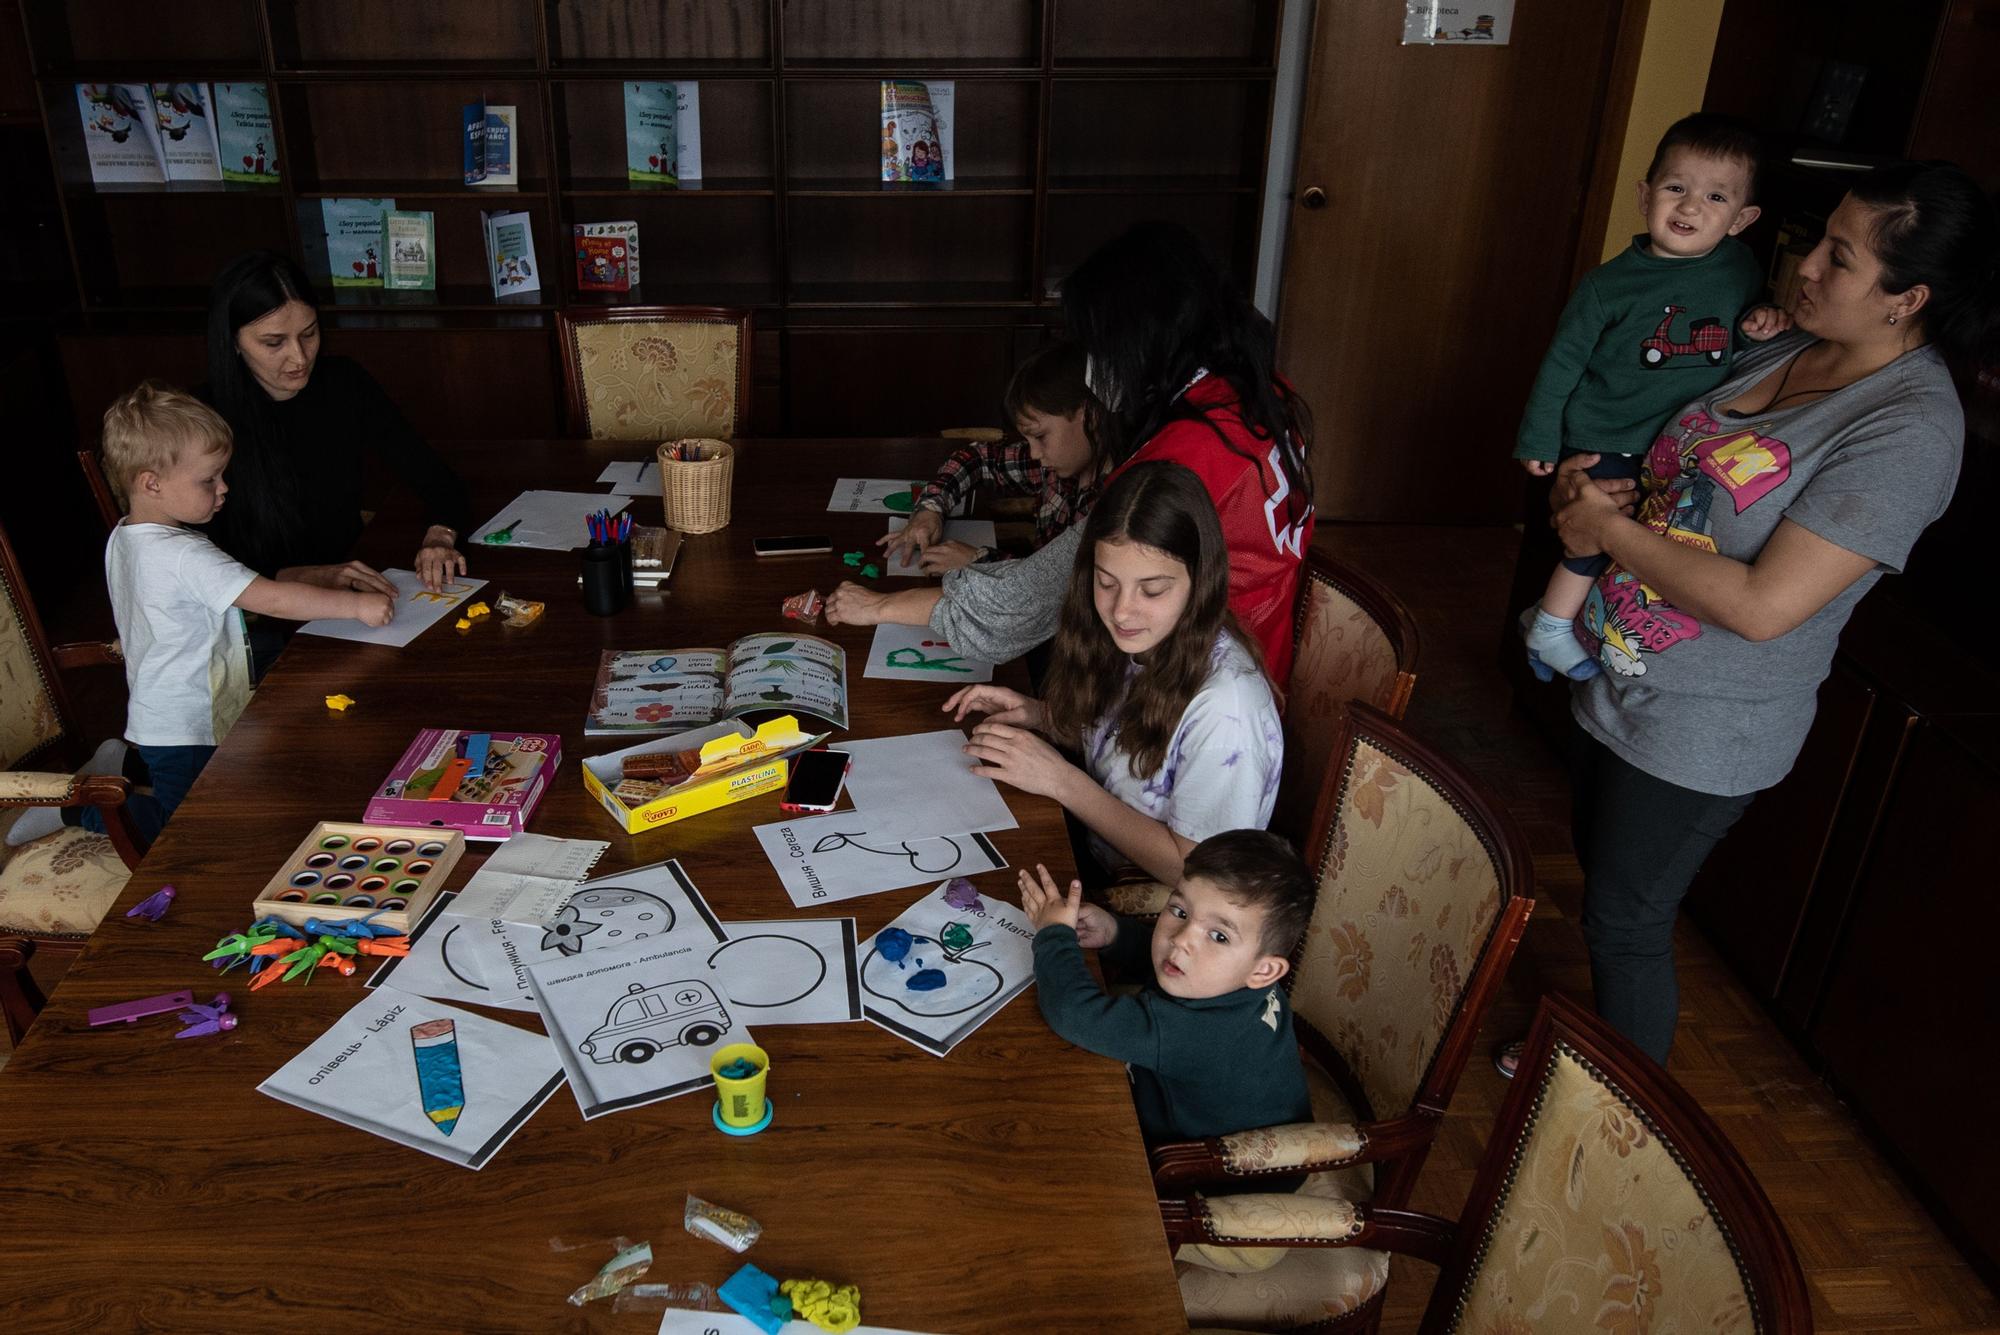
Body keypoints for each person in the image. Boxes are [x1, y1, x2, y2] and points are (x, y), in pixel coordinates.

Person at [1523, 160, 1995, 1070]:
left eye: (1840, 258)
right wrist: (1601, 487)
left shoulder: (1907, 432)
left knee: (1625, 918)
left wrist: (1606, 532)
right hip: (1619, 669)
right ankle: (1594, 1048)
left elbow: (1766, 604)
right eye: (1819, 239)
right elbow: (1686, 472)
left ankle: (1613, 1112)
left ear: (1908, 298)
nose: (1806, 264)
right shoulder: (1787, 343)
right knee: (1602, 876)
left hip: (1707, 724)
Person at [827, 221, 1314, 687]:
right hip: (1250, 663)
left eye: (1100, 347)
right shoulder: (1259, 394)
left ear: (1138, 343)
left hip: (1193, 691)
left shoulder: (1178, 461)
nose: (1094, 369)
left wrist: (879, 608)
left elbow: (1020, 604)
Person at [7, 384, 394, 852]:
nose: (223, 487)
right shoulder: (183, 554)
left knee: (219, 780)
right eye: (208, 480)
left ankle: (124, 764)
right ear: (152, 483)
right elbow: (267, 598)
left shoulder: (125, 536)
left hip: (164, 707)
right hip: (186, 721)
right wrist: (355, 606)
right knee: (184, 826)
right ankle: (76, 808)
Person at [1516, 113, 1791, 682]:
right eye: (1675, 188)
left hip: (1686, 441)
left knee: (1654, 546)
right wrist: (1540, 437)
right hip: (1610, 434)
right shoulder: (1606, 286)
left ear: (1742, 219)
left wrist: (1758, 323)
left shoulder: (1740, 269)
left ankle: (1582, 620)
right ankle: (1549, 625)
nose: (1690, 207)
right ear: (1645, 196)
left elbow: (1730, 333)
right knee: (1598, 530)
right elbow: (1561, 365)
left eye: (1714, 197)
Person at [944, 462, 1283, 886]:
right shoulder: (1144, 638)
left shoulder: (1226, 710)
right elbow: (1128, 753)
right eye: (1106, 582)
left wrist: (1062, 781)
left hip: (1150, 920)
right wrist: (1042, 715)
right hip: (1089, 857)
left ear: (1200, 580)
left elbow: (1199, 877)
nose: (1122, 611)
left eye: (1152, 590)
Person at [201, 250, 471, 608]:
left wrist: (441, 535)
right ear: (233, 341)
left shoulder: (343, 383)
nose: (299, 358)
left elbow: (436, 477)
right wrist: (298, 577)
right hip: (256, 613)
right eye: (273, 342)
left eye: (309, 334)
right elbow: (199, 558)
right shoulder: (200, 418)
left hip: (351, 594)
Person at [1018, 828, 1313, 1146]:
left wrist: (1053, 935)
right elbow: (1177, 966)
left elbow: (1071, 1013)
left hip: (1223, 1169)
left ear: (1265, 970)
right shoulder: (1244, 979)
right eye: (1181, 912)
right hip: (1260, 1109)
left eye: (1219, 936)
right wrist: (1116, 933)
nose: (1181, 939)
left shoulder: (1187, 1032)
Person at [878, 340, 1100, 575]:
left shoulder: (1113, 502)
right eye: (1028, 441)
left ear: (1090, 416)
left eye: (1041, 436)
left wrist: (977, 561)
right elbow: (976, 458)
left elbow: (1059, 587)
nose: (1034, 453)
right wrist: (930, 510)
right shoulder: (1054, 464)